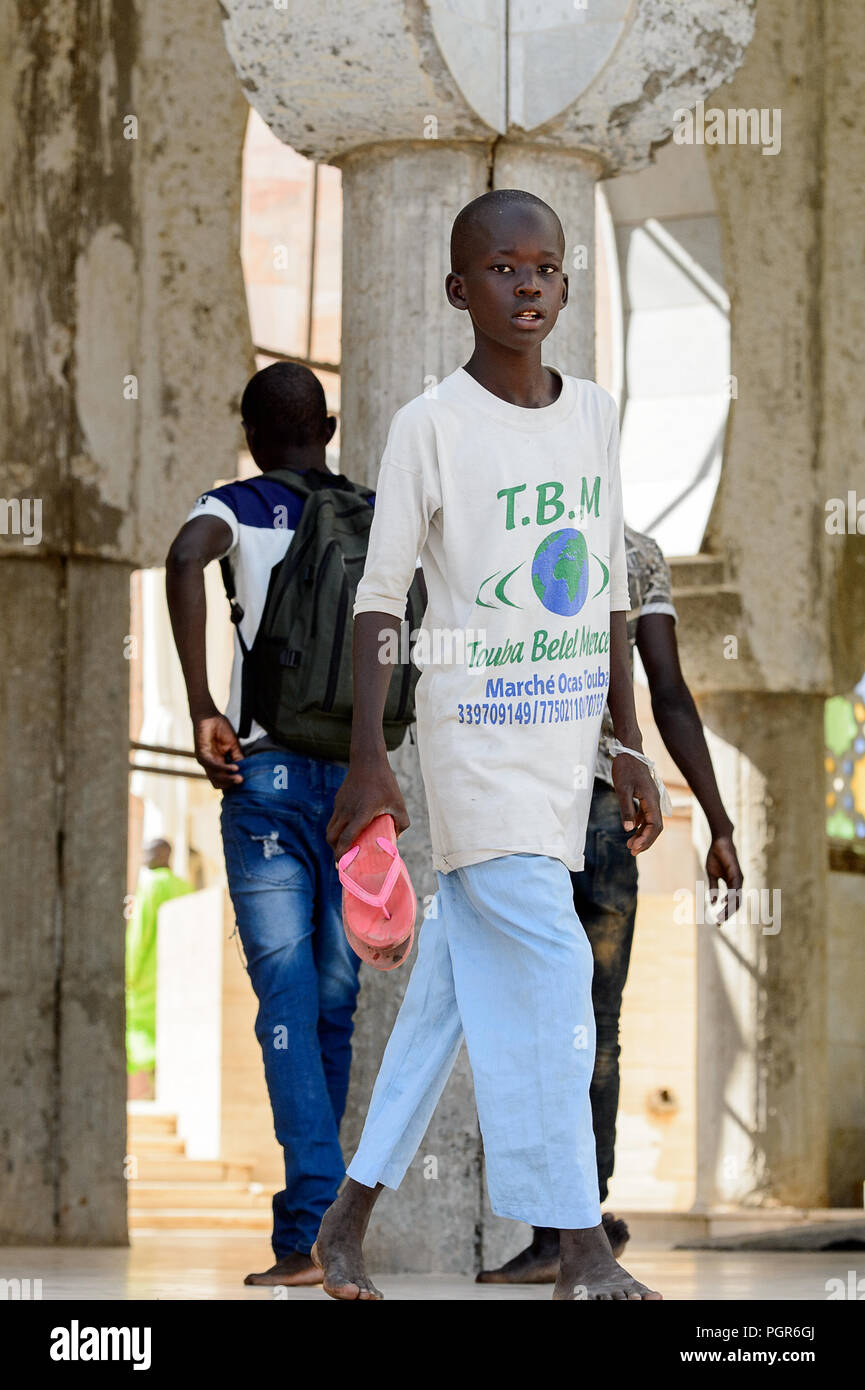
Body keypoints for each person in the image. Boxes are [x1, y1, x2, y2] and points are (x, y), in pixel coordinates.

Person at [314, 189, 666, 1301]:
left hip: (565, 754)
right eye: (505, 269)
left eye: (547, 267)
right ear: (460, 289)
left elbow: (605, 588)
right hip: (473, 743)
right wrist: (372, 754)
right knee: (558, 969)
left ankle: (343, 1226)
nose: (530, 285)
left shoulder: (596, 414)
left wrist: (625, 739)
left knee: (444, 1003)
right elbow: (380, 599)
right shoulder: (431, 425)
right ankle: (581, 1245)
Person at [477, 523, 744, 1283]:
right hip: (602, 802)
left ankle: (557, 1231)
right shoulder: (635, 549)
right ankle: (577, 1225)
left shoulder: (506, 529)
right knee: (593, 1026)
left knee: (531, 1021)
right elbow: (669, 691)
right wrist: (716, 825)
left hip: (518, 803)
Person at [165, 363, 362, 1287]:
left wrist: (204, 701)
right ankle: (316, 1228)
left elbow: (181, 557)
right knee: (332, 1007)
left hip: (267, 775)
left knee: (286, 1006)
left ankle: (312, 1230)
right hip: (360, 786)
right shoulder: (367, 512)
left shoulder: (236, 504)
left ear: (250, 432)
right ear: (326, 426)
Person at [126, 838, 192, 1100]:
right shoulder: (184, 887)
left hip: (147, 979)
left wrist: (129, 973)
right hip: (177, 981)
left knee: (145, 1043)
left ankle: (150, 1096)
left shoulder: (152, 885)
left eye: (149, 852)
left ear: (164, 855)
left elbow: (139, 935)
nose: (144, 857)